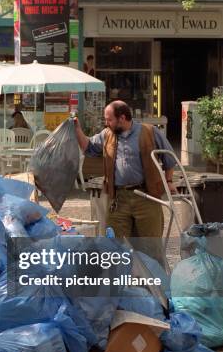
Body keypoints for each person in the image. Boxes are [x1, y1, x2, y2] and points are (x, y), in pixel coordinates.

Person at [74, 100, 176, 262]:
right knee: (114, 247)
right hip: (119, 199)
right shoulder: (107, 135)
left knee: (151, 248)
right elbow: (89, 148)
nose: (106, 123)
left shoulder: (150, 132)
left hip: (147, 197)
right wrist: (77, 128)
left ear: (122, 118)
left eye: (109, 120)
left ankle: (155, 284)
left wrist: (169, 181)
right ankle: (121, 285)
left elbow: (169, 158)